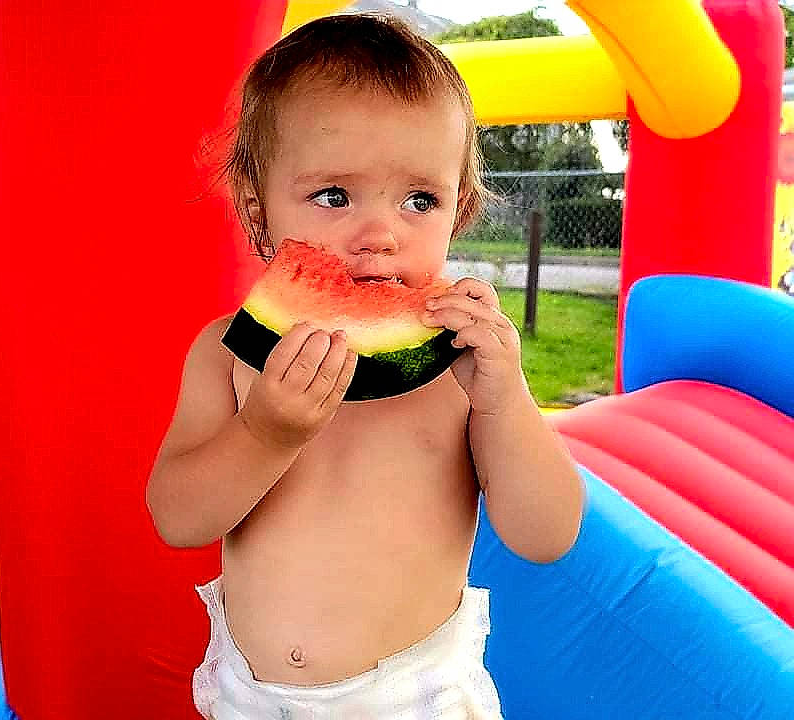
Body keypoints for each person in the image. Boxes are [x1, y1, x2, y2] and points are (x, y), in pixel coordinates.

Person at [147, 13, 585, 720]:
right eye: (334, 196)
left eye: (420, 199)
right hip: (249, 697)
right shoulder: (226, 351)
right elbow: (177, 518)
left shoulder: (464, 366)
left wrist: (505, 402)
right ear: (258, 216)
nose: (379, 234)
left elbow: (547, 535)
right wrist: (265, 433)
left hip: (418, 698)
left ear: (459, 210)